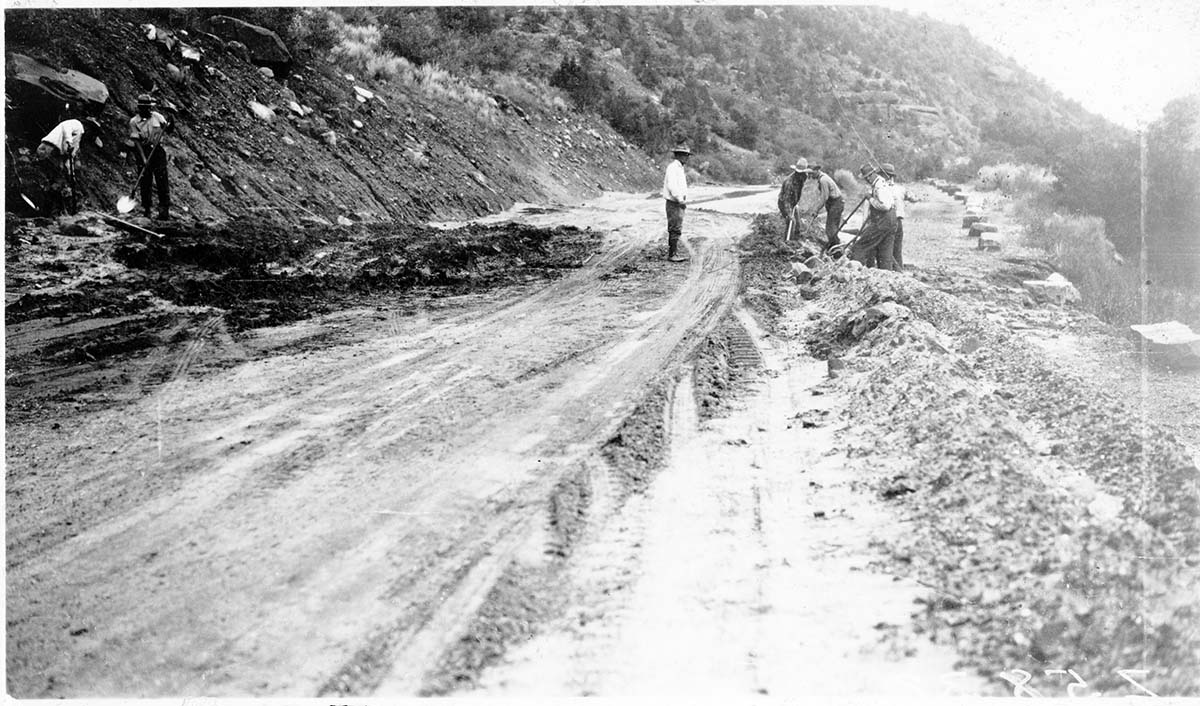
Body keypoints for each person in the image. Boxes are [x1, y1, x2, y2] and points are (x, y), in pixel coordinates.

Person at [36, 116, 99, 214]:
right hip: (49, 147)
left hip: (55, 152)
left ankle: (53, 209)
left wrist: (71, 173)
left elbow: (70, 157)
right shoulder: (77, 124)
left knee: (57, 180)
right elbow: (66, 128)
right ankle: (43, 206)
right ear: (88, 127)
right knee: (50, 179)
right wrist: (68, 140)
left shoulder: (78, 138)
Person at [126, 94, 175, 219]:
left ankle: (164, 210)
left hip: (157, 151)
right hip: (143, 150)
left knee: (162, 180)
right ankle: (147, 209)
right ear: (139, 108)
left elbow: (168, 130)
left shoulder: (157, 117)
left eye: (147, 107)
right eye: (143, 108)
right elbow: (136, 142)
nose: (146, 110)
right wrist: (143, 158)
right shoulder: (134, 122)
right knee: (145, 180)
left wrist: (171, 121)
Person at [849, 163, 898, 270]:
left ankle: (855, 273)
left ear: (871, 175)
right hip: (891, 220)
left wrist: (870, 199)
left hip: (883, 221)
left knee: (859, 246)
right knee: (885, 255)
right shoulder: (881, 183)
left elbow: (885, 205)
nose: (866, 180)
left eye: (867, 178)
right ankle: (886, 278)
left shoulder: (880, 186)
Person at [805, 163, 844, 252]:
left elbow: (824, 197)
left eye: (811, 173)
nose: (810, 175)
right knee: (832, 228)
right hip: (833, 203)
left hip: (836, 203)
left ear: (817, 170)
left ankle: (836, 249)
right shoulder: (821, 178)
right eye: (809, 173)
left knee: (830, 228)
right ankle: (834, 246)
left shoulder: (823, 180)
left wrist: (816, 209)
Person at [662, 143, 691, 262]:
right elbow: (672, 186)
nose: (687, 158)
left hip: (677, 202)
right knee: (674, 228)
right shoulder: (673, 168)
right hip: (674, 202)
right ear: (679, 156)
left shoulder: (679, 168)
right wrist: (680, 199)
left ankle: (673, 252)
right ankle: (672, 254)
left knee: (676, 227)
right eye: (685, 155)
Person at [881, 162, 907, 268]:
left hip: (889, 221)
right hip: (899, 221)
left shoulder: (883, 188)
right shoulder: (900, 188)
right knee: (897, 251)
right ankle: (900, 274)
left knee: (886, 251)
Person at [776, 157, 810, 232]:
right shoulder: (789, 182)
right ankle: (787, 241)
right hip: (784, 203)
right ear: (796, 172)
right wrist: (789, 214)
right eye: (800, 173)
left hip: (793, 202)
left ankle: (796, 240)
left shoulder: (803, 176)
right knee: (791, 222)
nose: (802, 175)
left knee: (798, 224)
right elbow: (786, 201)